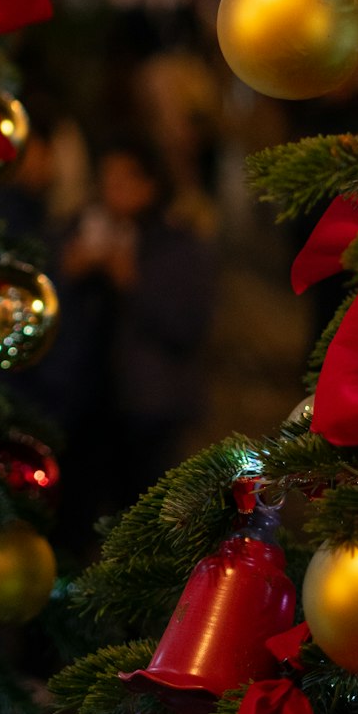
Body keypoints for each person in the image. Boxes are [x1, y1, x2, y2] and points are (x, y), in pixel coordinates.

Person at [61, 138, 216, 515]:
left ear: (151, 185)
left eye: (124, 182)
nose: (112, 192)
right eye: (106, 181)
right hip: (84, 402)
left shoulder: (176, 244)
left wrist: (132, 284)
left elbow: (187, 325)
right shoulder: (80, 228)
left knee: (142, 511)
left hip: (148, 408)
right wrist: (69, 273)